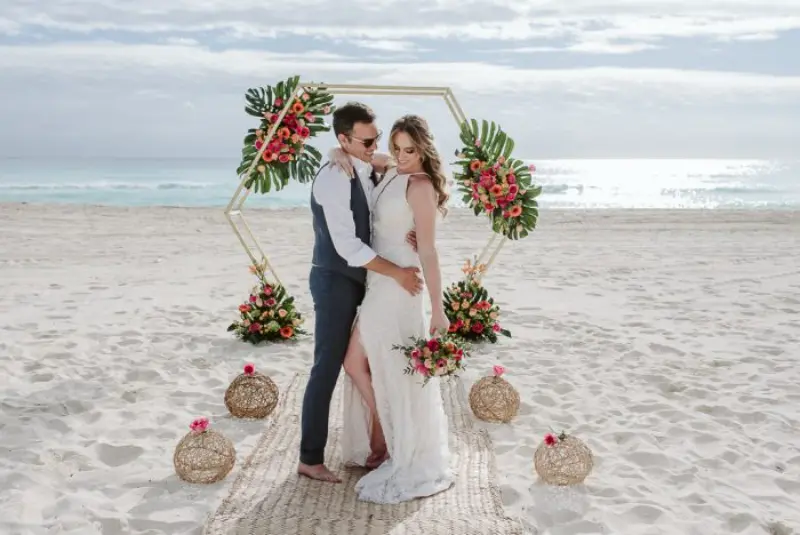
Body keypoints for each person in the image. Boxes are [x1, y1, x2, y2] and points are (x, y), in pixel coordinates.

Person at [297, 102, 423, 483]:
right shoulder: (333, 177)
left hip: (361, 282)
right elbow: (348, 247)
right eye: (367, 141)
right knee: (327, 366)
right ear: (344, 139)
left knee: (360, 359)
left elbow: (400, 164)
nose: (374, 147)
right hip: (334, 281)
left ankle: (377, 435)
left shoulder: (363, 163)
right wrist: (398, 273)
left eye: (376, 138)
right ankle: (310, 458)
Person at [332, 114, 455, 504]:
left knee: (356, 362)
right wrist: (337, 151)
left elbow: (429, 251)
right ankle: (386, 434)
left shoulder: (420, 185)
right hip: (379, 279)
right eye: (397, 148)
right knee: (370, 365)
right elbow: (362, 154)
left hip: (401, 285)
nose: (401, 157)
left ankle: (389, 437)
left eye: (410, 150)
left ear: (424, 150)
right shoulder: (391, 168)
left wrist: (438, 309)